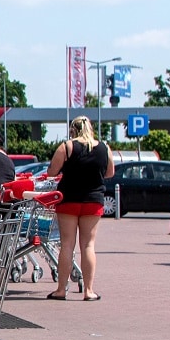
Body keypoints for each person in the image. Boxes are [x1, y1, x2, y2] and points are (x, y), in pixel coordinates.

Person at [44, 115, 114, 301]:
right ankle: (89, 291)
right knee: (88, 245)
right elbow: (110, 172)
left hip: (69, 199)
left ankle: (61, 290)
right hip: (93, 200)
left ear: (73, 129)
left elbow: (52, 172)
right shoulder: (104, 148)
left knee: (67, 244)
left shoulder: (66, 147)